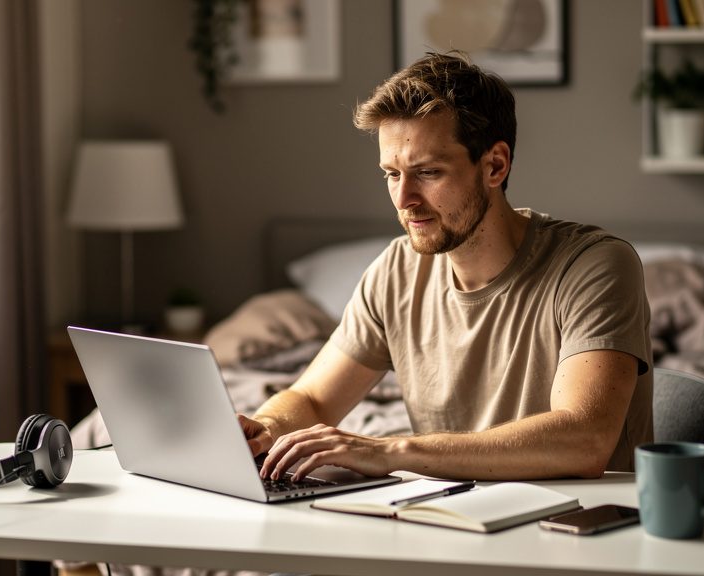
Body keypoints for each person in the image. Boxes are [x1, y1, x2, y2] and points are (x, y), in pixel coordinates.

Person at [240, 51, 653, 483]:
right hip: (451, 525)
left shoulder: (595, 266)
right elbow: (313, 398)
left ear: (495, 165)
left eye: (428, 172)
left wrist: (392, 451)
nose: (404, 199)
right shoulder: (395, 272)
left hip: (581, 529)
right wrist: (267, 429)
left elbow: (584, 438)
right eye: (391, 174)